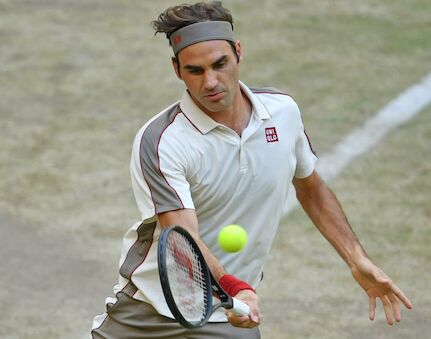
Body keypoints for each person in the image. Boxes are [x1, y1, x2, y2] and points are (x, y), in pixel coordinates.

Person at [91, 1, 412, 338]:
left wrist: (355, 257)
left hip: (226, 315)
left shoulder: (282, 113)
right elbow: (182, 240)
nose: (211, 82)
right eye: (195, 71)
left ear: (239, 53)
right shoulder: (162, 141)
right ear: (177, 70)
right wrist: (234, 286)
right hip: (148, 307)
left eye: (220, 64)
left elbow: (311, 187)